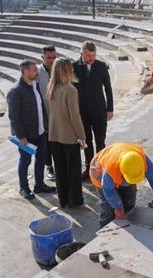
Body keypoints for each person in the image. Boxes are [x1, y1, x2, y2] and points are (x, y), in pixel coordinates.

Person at [89, 142, 153, 229]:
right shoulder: (109, 169)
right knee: (108, 209)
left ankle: (128, 227)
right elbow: (108, 190)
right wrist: (118, 207)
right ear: (122, 172)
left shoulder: (142, 160)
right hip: (99, 171)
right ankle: (104, 234)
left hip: (119, 166)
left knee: (129, 203)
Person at [7, 59, 56, 200]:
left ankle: (39, 185)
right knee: (25, 161)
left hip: (40, 131)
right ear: (26, 72)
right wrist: (21, 137)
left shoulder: (35, 85)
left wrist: (46, 125)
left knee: (41, 160)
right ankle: (24, 187)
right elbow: (14, 117)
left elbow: (41, 107)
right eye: (34, 70)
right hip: (26, 136)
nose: (37, 72)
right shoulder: (15, 91)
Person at [46, 58, 87, 208]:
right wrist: (82, 136)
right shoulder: (70, 90)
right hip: (69, 136)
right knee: (74, 172)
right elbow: (74, 116)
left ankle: (63, 200)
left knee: (60, 170)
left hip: (54, 135)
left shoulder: (51, 88)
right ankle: (75, 200)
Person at [73, 41, 114, 181]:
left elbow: (108, 89)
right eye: (88, 55)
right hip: (82, 111)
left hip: (99, 111)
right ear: (81, 54)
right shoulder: (73, 68)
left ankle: (101, 167)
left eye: (93, 55)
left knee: (100, 141)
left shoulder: (101, 66)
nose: (91, 58)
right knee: (87, 142)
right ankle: (89, 169)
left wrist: (110, 109)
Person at [38, 45, 58, 181]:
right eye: (48, 58)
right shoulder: (38, 72)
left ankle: (59, 164)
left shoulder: (59, 68)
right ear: (42, 57)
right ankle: (49, 166)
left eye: (54, 57)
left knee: (57, 141)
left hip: (58, 112)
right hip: (44, 113)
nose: (51, 60)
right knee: (46, 142)